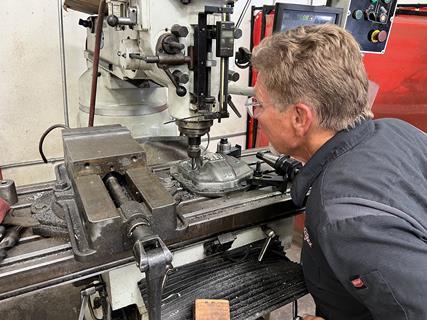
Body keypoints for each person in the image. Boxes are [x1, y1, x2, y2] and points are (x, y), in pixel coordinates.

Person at [250, 24, 427, 320]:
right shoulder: (398, 129)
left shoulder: (345, 220)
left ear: (299, 117)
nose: (256, 115)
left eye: (258, 104)